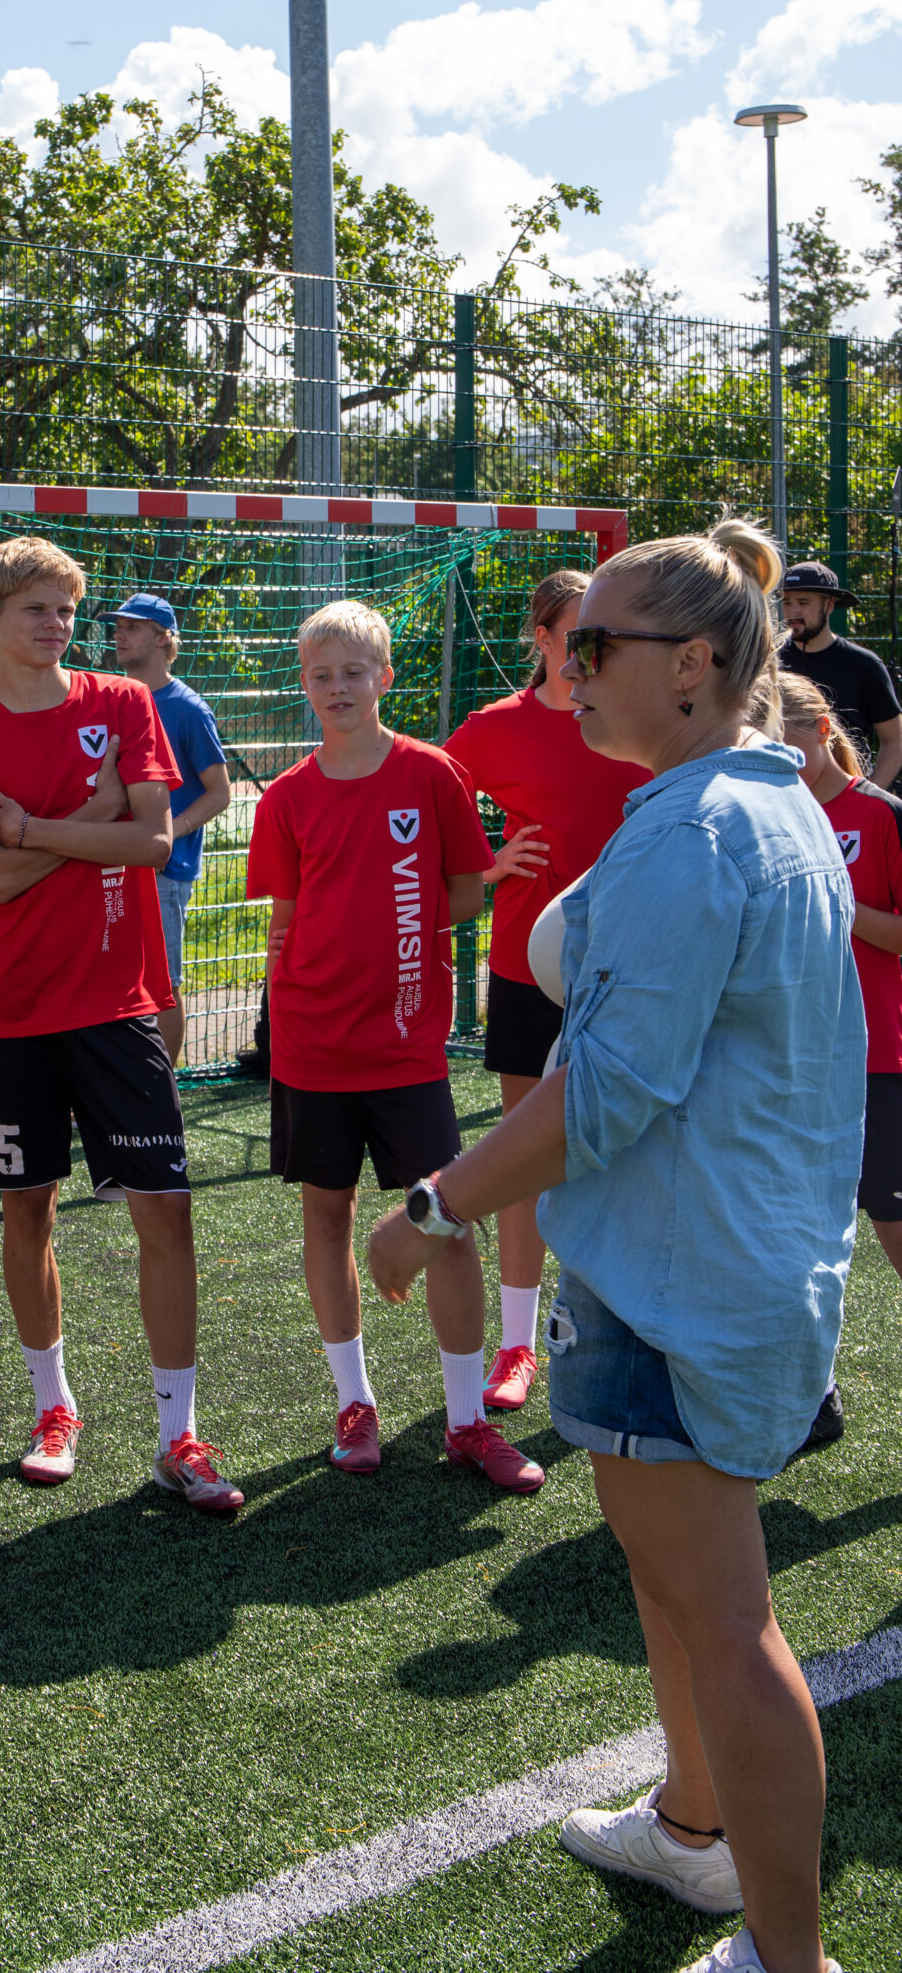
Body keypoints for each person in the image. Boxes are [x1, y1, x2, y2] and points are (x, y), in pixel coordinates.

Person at [368, 517, 861, 1973]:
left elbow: (603, 1095)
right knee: (671, 1587)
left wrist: (432, 1208)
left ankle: (789, 1959)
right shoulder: (750, 797)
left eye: (595, 645)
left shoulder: (700, 828)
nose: (568, 668)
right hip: (706, 1259)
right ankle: (693, 1831)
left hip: (681, 1278)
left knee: (728, 1622)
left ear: (693, 664)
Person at [0, 535, 243, 1511]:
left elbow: (150, 840)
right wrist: (89, 820)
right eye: (36, 608)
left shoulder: (122, 703)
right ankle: (53, 1408)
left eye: (66, 608)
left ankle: (178, 1435)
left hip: (120, 1003)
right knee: (28, 1210)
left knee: (167, 1211)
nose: (57, 624)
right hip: (15, 1009)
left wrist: (37, 827)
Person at [245, 598, 542, 1494]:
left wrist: (401, 930)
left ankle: (464, 1422)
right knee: (325, 1216)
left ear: (383, 676)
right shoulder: (287, 798)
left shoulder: (430, 773)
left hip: (407, 1046)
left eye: (352, 672)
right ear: (304, 685)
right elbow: (286, 920)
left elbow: (465, 892)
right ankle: (354, 1405)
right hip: (312, 1044)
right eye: (319, 674)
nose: (336, 687)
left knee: (445, 1222)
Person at [444, 570, 649, 1414]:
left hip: (637, 966)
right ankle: (519, 1344)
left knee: (634, 1154)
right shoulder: (493, 729)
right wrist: (487, 866)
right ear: (540, 638)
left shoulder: (636, 717)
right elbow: (421, 796)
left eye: (606, 636)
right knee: (523, 1157)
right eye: (577, 635)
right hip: (528, 969)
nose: (591, 652)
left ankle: (635, 1329)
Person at [779, 670, 902, 1448]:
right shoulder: (769, 819)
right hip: (792, 1059)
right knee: (792, 1235)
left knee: (891, 1222)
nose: (777, 757)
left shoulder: (878, 815)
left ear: (822, 729)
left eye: (786, 739)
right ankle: (813, 1394)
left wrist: (838, 900)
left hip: (877, 1057)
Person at [108, 591, 232, 1066]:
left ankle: (163, 1090)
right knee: (114, 981)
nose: (119, 635)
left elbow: (219, 792)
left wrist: (165, 832)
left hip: (164, 871)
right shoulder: (114, 697)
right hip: (112, 863)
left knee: (162, 985)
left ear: (163, 639)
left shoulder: (188, 708)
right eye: (118, 626)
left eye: (132, 627)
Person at [777, 557, 902, 787]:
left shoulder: (863, 664)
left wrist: (867, 795)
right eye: (787, 602)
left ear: (830, 604)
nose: (793, 611)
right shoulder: (769, 661)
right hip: (782, 790)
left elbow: (895, 740)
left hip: (844, 790)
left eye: (803, 602)